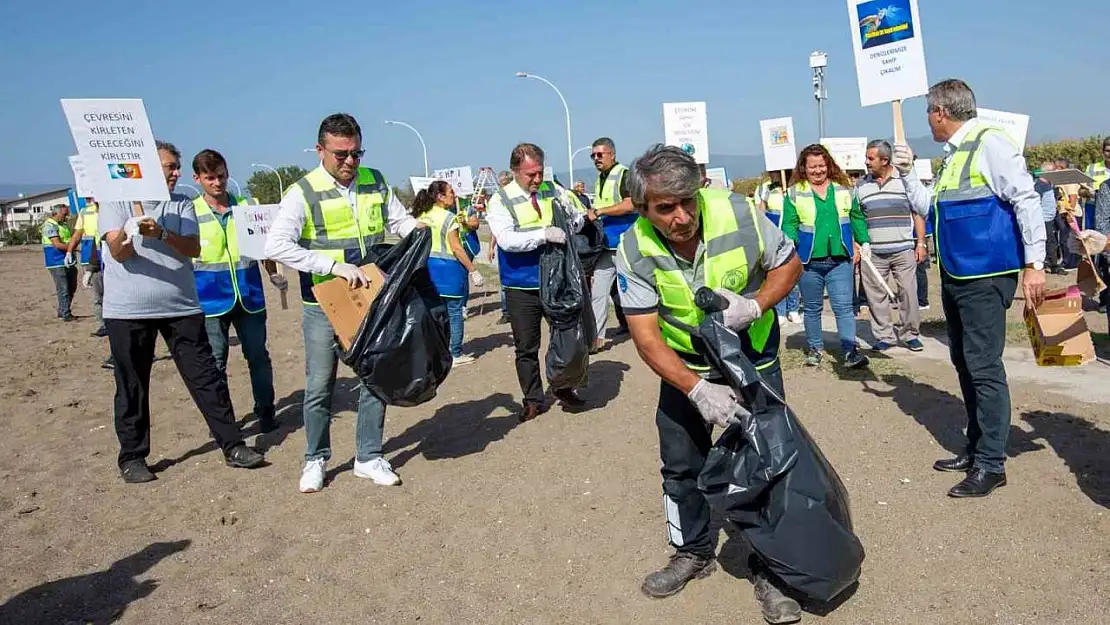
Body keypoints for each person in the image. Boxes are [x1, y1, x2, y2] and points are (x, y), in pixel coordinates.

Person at [615, 145, 804, 624]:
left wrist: (755, 305)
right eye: (665, 208)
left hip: (753, 358)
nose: (682, 217)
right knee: (681, 465)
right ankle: (692, 551)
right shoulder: (634, 249)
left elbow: (788, 265)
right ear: (642, 209)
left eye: (687, 202)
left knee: (771, 462)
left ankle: (771, 567)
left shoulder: (739, 212)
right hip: (686, 366)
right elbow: (645, 334)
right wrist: (695, 389)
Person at [264, 113, 420, 493]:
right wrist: (332, 266)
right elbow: (277, 246)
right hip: (323, 303)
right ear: (320, 150)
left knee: (374, 377)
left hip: (369, 300)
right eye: (341, 154)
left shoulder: (374, 181)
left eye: (356, 153)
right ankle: (315, 459)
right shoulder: (302, 192)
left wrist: (418, 230)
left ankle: (368, 456)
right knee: (320, 385)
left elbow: (398, 222)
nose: (350, 162)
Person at [99, 140, 265, 483]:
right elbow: (118, 253)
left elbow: (192, 247)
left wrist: (161, 232)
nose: (175, 173)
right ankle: (133, 457)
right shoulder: (114, 201)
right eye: (169, 167)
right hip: (128, 310)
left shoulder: (182, 205)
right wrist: (130, 230)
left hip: (180, 306)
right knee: (132, 385)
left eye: (176, 167)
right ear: (146, 167)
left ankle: (233, 445)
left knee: (206, 378)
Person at [926, 79, 1046, 498]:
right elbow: (933, 208)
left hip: (985, 273)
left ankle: (992, 464)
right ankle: (976, 444)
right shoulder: (953, 156)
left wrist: (1035, 264)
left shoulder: (990, 142)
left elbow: (1026, 200)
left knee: (983, 366)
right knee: (963, 360)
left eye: (928, 111)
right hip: (957, 273)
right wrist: (906, 175)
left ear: (941, 111)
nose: (927, 119)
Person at [486, 143, 591, 422]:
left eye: (539, 173)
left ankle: (564, 386)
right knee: (526, 346)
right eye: (529, 174)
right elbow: (506, 240)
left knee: (568, 337)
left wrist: (573, 222)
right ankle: (533, 399)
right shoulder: (500, 200)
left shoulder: (553, 190)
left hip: (556, 281)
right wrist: (544, 234)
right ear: (515, 171)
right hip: (522, 286)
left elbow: (576, 217)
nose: (536, 180)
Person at [190, 149, 285, 434]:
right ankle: (222, 420)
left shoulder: (248, 206)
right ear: (197, 179)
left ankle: (266, 410)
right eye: (210, 178)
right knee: (215, 363)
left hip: (250, 296)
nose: (217, 183)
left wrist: (273, 274)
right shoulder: (191, 212)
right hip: (209, 300)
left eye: (221, 176)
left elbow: (263, 247)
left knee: (258, 356)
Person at [781, 144, 872, 369]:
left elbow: (856, 216)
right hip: (809, 262)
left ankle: (850, 352)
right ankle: (815, 348)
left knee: (843, 307)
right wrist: (789, 240)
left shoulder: (843, 188)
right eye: (812, 167)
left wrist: (864, 240)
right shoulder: (795, 192)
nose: (818, 171)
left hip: (840, 260)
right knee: (812, 308)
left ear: (828, 164)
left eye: (821, 165)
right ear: (804, 167)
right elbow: (789, 223)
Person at [855, 140, 931, 352]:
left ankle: (910, 334)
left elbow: (918, 212)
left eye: (871, 158)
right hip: (873, 253)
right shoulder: (861, 186)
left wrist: (921, 243)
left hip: (903, 249)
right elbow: (857, 216)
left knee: (908, 292)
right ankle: (884, 336)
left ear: (885, 160)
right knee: (875, 296)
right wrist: (859, 244)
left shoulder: (905, 181)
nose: (866, 162)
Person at [411, 180, 484, 365]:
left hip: (428, 271)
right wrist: (473, 270)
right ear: (440, 196)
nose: (454, 195)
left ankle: (435, 353)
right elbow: (457, 248)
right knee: (454, 313)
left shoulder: (423, 215)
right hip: (449, 271)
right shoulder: (448, 218)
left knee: (434, 315)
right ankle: (455, 353)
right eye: (451, 192)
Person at [587, 138, 633, 348]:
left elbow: (630, 205)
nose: (596, 159)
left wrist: (600, 211)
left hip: (625, 244)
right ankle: (596, 338)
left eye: (600, 154)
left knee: (633, 291)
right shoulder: (600, 178)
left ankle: (652, 331)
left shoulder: (624, 174)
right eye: (593, 155)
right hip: (605, 245)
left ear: (612, 154)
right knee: (598, 292)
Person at [757, 173, 801, 323]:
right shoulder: (766, 188)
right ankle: (780, 311)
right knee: (777, 273)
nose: (773, 174)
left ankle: (793, 309)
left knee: (793, 273)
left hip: (792, 236)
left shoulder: (796, 187)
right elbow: (761, 211)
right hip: (774, 237)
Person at [66, 198, 107, 336]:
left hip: (108, 257)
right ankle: (103, 325)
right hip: (94, 257)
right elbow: (78, 234)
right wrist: (69, 251)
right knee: (98, 296)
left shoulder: (112, 209)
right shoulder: (85, 212)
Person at [42, 204, 77, 322]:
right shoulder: (49, 225)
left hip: (68, 260)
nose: (66, 216)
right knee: (63, 288)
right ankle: (65, 313)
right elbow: (57, 244)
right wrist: (73, 248)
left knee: (71, 287)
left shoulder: (63, 225)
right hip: (56, 261)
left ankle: (62, 309)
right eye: (64, 214)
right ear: (56, 213)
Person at [489, 170, 514, 325]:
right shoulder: (497, 200)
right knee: (504, 280)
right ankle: (506, 312)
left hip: (519, 243)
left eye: (505, 183)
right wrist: (491, 246)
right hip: (503, 246)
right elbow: (494, 227)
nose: (503, 187)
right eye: (501, 184)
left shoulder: (518, 197)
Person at [1035, 162, 1067, 275]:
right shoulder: (1039, 186)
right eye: (1053, 171)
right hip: (1044, 219)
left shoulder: (1050, 185)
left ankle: (1051, 262)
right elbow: (1036, 204)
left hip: (1053, 217)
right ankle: (1053, 265)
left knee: (1055, 240)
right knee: (1050, 242)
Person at [1080, 137, 1110, 230]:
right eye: (1108, 150)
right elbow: (1081, 192)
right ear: (1102, 151)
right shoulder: (1092, 169)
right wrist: (1091, 193)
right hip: (1093, 210)